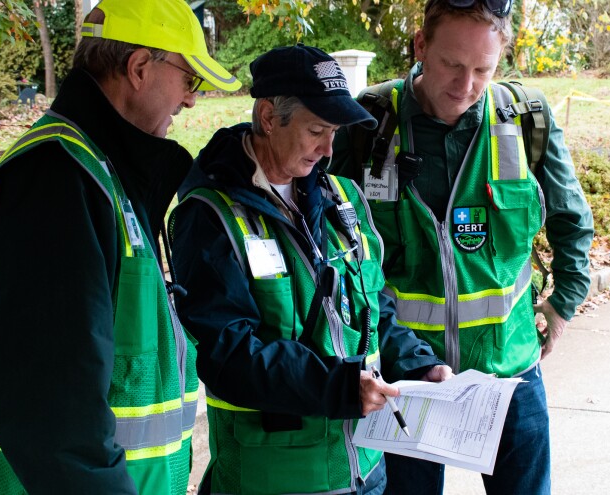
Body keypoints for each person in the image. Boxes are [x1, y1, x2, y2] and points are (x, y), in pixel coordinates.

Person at [0, 0, 241, 493]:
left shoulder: (101, 172)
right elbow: (50, 411)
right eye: (189, 80)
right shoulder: (57, 179)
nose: (192, 100)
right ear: (139, 67)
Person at [328, 0, 595, 493]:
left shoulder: (524, 120)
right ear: (420, 45)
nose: (466, 85)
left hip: (509, 376)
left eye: (482, 70)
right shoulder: (367, 123)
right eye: (452, 64)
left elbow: (571, 220)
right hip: (406, 380)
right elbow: (336, 244)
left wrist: (562, 304)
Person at [168, 44, 452, 495]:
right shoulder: (209, 216)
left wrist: (419, 365)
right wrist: (337, 388)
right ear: (267, 117)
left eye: (335, 131)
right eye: (316, 129)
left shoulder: (343, 197)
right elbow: (229, 355)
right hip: (274, 482)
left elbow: (373, 313)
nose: (328, 149)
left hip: (364, 472)